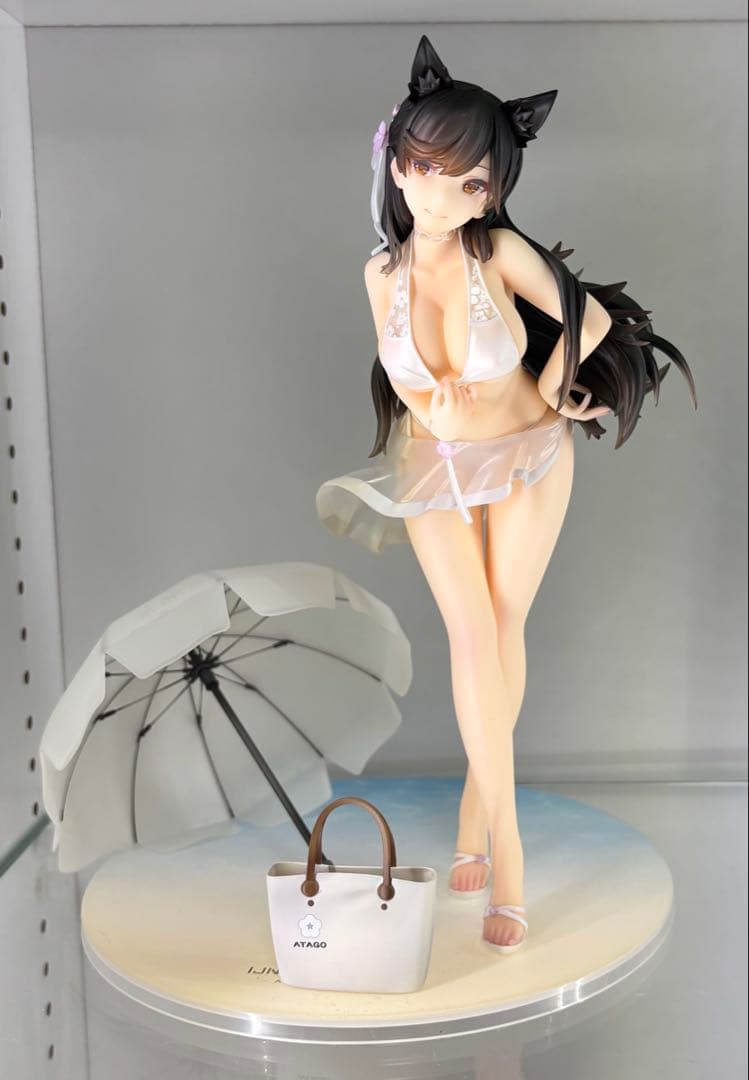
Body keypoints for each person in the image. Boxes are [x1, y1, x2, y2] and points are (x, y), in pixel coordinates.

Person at [316, 34, 697, 953]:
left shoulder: (498, 253)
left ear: (491, 192)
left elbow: (586, 316)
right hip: (435, 464)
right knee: (469, 632)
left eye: (469, 183)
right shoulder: (379, 274)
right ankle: (494, 829)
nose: (439, 195)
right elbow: (400, 375)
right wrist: (431, 403)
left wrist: (560, 387)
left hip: (528, 452)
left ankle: (490, 836)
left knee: (504, 620)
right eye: (422, 168)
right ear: (394, 162)